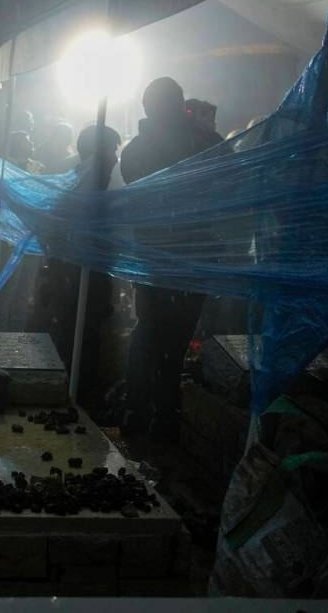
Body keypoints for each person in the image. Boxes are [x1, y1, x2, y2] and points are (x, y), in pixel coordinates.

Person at [119, 77, 223, 441]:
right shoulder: (203, 142)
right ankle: (161, 415)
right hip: (189, 255)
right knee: (172, 339)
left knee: (149, 331)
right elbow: (228, 179)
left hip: (153, 256)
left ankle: (138, 410)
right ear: (181, 105)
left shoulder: (134, 150)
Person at [30, 125, 120, 399]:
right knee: (80, 331)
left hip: (82, 271)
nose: (116, 158)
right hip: (77, 274)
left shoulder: (93, 180)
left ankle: (78, 386)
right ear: (101, 151)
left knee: (84, 329)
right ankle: (77, 391)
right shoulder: (87, 183)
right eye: (113, 150)